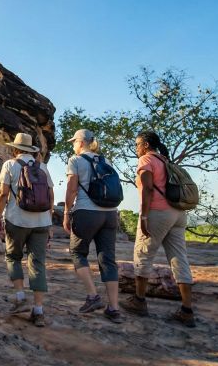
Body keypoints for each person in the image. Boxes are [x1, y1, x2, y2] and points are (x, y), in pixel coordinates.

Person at [120, 130, 195, 327]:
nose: (136, 148)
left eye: (137, 144)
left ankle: (139, 301)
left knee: (143, 254)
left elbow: (147, 189)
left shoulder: (146, 160)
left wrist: (144, 216)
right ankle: (187, 310)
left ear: (145, 145)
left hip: (158, 212)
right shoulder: (165, 160)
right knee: (179, 257)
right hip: (178, 213)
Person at [63, 129, 124, 323]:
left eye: (74, 142)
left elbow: (72, 188)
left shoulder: (75, 160)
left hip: (87, 212)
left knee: (77, 252)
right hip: (110, 214)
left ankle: (93, 296)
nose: (73, 145)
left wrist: (66, 212)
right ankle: (113, 308)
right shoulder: (106, 161)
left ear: (81, 143)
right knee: (108, 259)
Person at [0, 132, 54, 327]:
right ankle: (38, 311)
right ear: (31, 150)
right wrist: (49, 221)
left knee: (13, 257)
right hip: (41, 222)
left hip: (16, 219)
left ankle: (20, 297)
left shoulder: (9, 165)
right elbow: (51, 196)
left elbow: (3, 193)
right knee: (37, 263)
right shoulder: (43, 167)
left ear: (15, 149)